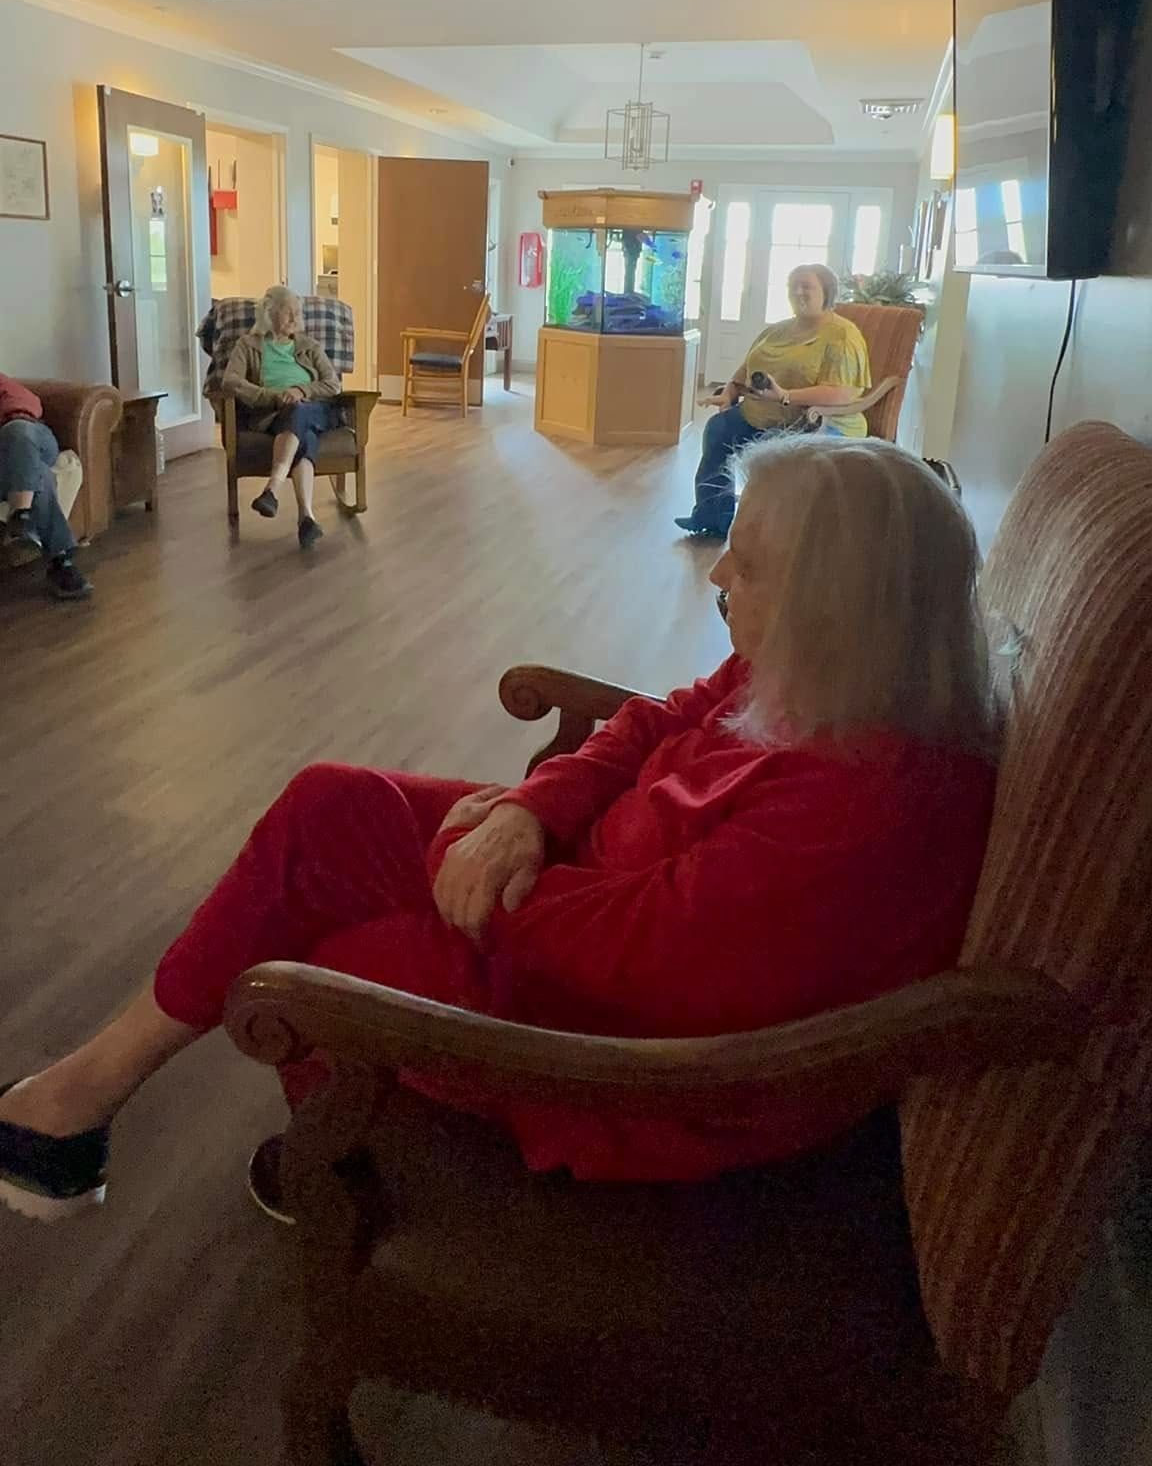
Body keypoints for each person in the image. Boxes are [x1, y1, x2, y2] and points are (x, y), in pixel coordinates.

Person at [0, 436, 997, 1219]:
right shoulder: (826, 673)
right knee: (330, 800)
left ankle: (344, 1168)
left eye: (753, 560)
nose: (718, 571)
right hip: (570, 893)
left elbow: (636, 962)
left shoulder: (864, 802)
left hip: (620, 1050)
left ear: (839, 605)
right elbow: (654, 719)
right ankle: (84, 1092)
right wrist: (529, 806)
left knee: (317, 958)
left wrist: (465, 842)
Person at [675, 263, 870, 539]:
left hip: (816, 424)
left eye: (807, 286)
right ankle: (712, 517)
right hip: (759, 414)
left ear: (827, 292)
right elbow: (746, 370)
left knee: (772, 451)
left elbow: (843, 393)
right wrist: (730, 392)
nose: (798, 292)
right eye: (793, 286)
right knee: (718, 429)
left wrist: (786, 396)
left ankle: (771, 535)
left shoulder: (844, 336)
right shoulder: (776, 331)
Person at [223, 286, 342, 547]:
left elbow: (333, 384)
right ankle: (306, 519)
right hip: (275, 414)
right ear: (269, 314)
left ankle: (273, 489)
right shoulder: (248, 345)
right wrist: (271, 396)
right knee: (304, 439)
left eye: (298, 313)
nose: (295, 319)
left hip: (316, 409)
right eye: (288, 312)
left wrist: (302, 389)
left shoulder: (309, 346)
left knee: (299, 411)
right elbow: (230, 382)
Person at [0, 375, 92, 601]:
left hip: (29, 436)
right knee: (39, 473)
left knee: (18, 434)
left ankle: (20, 518)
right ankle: (61, 559)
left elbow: (25, 402)